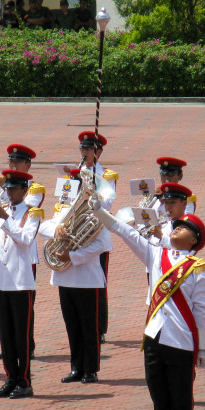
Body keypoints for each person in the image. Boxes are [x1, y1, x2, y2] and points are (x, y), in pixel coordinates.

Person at [94, 205, 205, 410]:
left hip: (181, 342)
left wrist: (203, 346)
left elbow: (202, 311)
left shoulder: (197, 268)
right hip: (154, 338)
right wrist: (102, 214)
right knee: (160, 402)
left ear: (194, 240)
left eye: (183, 228)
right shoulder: (157, 254)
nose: (176, 228)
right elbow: (128, 233)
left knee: (181, 402)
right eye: (176, 226)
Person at [39, 169, 113, 383]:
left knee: (89, 326)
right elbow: (43, 226)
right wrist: (57, 229)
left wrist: (73, 254)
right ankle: (76, 367)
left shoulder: (96, 214)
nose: (80, 192)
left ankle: (90, 369)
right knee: (72, 325)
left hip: (87, 278)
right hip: (65, 278)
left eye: (83, 188)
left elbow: (105, 244)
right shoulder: (63, 211)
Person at [0, 170, 43, 399]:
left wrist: (3, 218)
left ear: (25, 191)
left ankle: (24, 381)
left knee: (20, 334)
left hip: (20, 280)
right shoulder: (0, 212)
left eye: (13, 189)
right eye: (7, 189)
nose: (9, 193)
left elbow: (24, 240)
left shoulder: (32, 214)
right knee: (5, 332)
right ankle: (9, 377)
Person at [0, 144, 45, 362]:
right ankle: (10, 346)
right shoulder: (4, 190)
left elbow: (25, 209)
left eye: (18, 162)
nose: (13, 164)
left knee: (24, 305)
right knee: (7, 309)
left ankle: (27, 344)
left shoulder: (34, 188)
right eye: (10, 162)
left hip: (25, 253)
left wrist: (3, 194)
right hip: (5, 252)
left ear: (28, 164)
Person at [78, 131, 118, 343]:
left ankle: (99, 327)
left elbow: (109, 204)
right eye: (82, 149)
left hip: (96, 233)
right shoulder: (73, 173)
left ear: (98, 152)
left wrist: (94, 192)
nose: (84, 152)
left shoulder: (106, 176)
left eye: (88, 149)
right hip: (76, 231)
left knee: (99, 280)